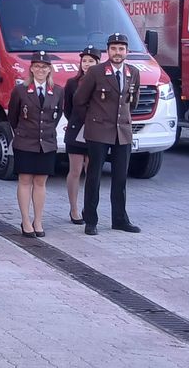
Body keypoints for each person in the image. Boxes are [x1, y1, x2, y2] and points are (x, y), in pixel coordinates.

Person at [72, 33, 142, 235]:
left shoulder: (133, 72)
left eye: (121, 49)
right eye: (114, 48)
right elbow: (79, 100)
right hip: (99, 131)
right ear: (107, 51)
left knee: (120, 178)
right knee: (94, 177)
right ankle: (91, 220)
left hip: (122, 132)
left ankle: (120, 219)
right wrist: (94, 119)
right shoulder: (96, 71)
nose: (117, 52)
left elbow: (133, 101)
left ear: (127, 52)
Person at [8, 51, 62, 238]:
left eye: (44, 67)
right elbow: (13, 117)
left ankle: (38, 220)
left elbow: (57, 115)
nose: (41, 69)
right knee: (25, 181)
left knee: (40, 182)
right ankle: (25, 220)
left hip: (46, 143)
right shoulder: (21, 90)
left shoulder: (57, 91)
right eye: (37, 66)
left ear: (49, 70)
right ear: (31, 68)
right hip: (25, 142)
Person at [63, 45, 100, 224]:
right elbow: (68, 110)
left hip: (97, 132)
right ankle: (74, 209)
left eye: (91, 61)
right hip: (76, 130)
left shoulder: (103, 81)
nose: (86, 64)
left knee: (92, 170)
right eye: (84, 61)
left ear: (98, 63)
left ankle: (89, 207)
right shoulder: (72, 83)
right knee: (75, 170)